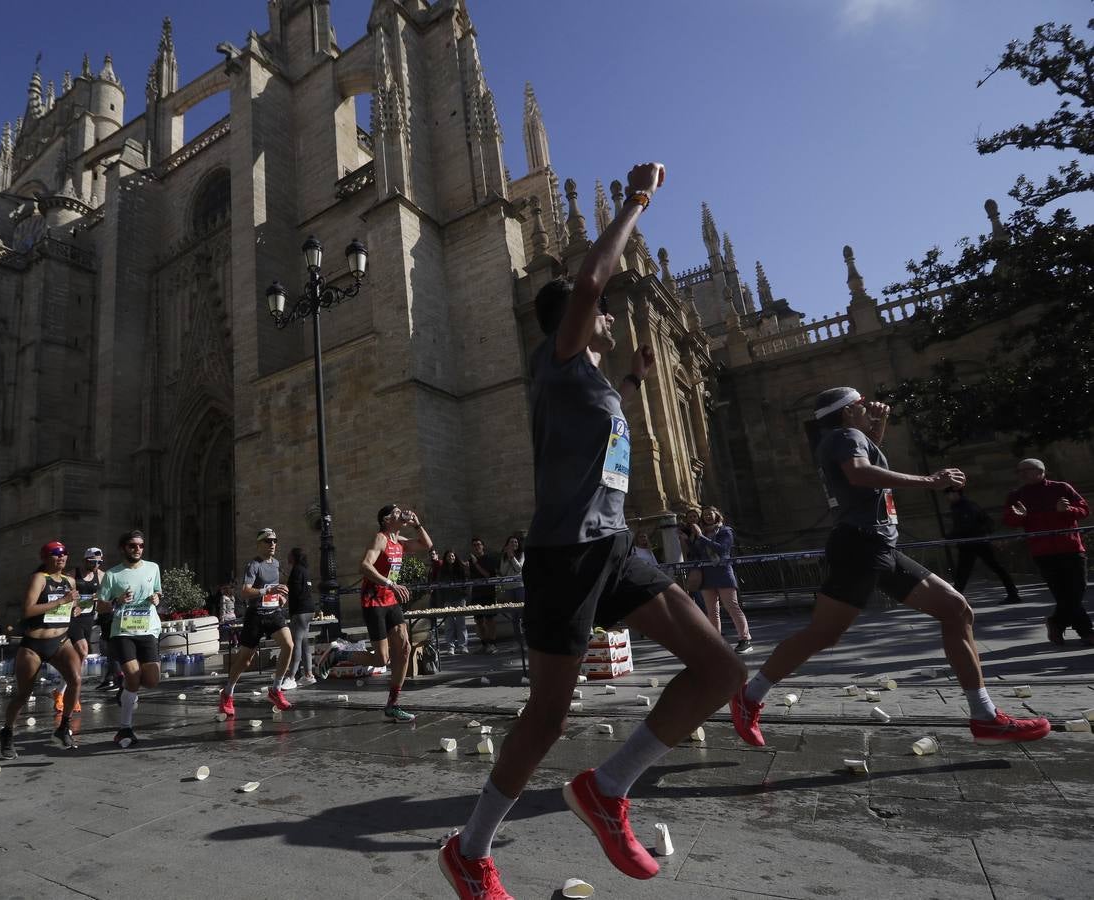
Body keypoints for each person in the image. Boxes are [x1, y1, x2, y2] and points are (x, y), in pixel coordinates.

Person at [442, 162, 746, 899]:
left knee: (721, 670)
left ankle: (607, 789)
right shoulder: (558, 358)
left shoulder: (588, 380)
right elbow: (585, 286)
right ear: (573, 323)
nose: (608, 317)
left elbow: (601, 429)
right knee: (547, 717)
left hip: (614, 547)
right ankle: (469, 851)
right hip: (566, 556)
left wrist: (635, 380)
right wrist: (636, 201)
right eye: (603, 313)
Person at [729, 387, 1051, 752]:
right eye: (862, 404)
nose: (868, 407)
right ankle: (749, 697)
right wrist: (930, 481)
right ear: (848, 411)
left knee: (955, 609)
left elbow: (865, 466)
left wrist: (878, 427)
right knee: (823, 634)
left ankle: (985, 716)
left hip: (874, 545)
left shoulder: (841, 437)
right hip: (862, 546)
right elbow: (861, 474)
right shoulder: (846, 436)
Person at [317, 504, 433, 722]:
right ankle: (338, 654)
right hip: (374, 601)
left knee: (405, 648)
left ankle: (393, 704)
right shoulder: (380, 539)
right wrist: (390, 583)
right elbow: (364, 566)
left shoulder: (399, 542)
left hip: (390, 600)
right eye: (396, 512)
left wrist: (417, 524)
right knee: (382, 660)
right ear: (386, 520)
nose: (401, 513)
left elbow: (426, 544)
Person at [0, 541, 83, 758]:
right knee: (23, 694)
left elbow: (70, 605)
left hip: (61, 641)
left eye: (64, 553)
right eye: (56, 553)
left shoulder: (70, 581)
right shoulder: (39, 579)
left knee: (76, 679)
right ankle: (7, 732)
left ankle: (63, 727)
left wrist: (75, 608)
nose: (61, 557)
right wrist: (62, 601)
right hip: (34, 645)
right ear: (45, 558)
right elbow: (28, 610)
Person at [1004, 459, 1091, 646]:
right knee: (1062, 594)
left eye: (1025, 470)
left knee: (1077, 590)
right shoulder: (1016, 495)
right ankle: (1086, 632)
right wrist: (1018, 517)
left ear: (1040, 471)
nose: (1021, 474)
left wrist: (1067, 510)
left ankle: (1056, 623)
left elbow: (1084, 510)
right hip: (1043, 552)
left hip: (1071, 548)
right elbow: (1009, 520)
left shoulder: (1061, 488)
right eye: (1018, 471)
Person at [97, 530, 163, 748]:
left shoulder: (153, 568)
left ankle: (126, 691)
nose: (137, 549)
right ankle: (125, 727)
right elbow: (101, 606)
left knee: (152, 680)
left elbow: (158, 592)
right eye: (132, 546)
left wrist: (157, 598)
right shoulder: (112, 575)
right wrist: (117, 600)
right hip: (123, 631)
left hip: (148, 629)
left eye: (141, 546)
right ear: (123, 548)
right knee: (134, 676)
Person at [219, 528, 295, 716]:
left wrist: (281, 598)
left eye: (275, 541)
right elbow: (245, 591)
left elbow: (275, 590)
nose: (272, 544)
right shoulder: (253, 565)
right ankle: (227, 693)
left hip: (273, 613)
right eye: (268, 541)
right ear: (259, 544)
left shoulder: (276, 564)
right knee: (245, 660)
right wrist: (267, 591)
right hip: (256, 616)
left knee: (289, 645)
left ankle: (276, 690)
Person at [690, 507, 753, 654]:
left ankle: (745, 639)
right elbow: (696, 553)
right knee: (712, 611)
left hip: (723, 573)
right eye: (705, 515)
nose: (707, 516)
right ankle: (716, 641)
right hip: (707, 575)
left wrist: (701, 537)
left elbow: (722, 549)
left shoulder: (725, 531)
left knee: (732, 606)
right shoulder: (701, 532)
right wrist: (688, 540)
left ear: (717, 515)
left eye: (710, 514)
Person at [945, 486, 1022, 604]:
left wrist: (949, 537)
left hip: (973, 542)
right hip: (975, 541)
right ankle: (1012, 592)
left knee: (965, 571)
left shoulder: (965, 506)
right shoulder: (965, 505)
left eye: (948, 494)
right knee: (969, 571)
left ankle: (955, 599)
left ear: (956, 493)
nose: (947, 497)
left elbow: (966, 526)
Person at [67, 547, 104, 693]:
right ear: (85, 560)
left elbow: (106, 593)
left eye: (99, 562)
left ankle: (65, 688)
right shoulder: (73, 575)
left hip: (89, 618)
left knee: (80, 655)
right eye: (93, 562)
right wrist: (74, 605)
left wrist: (99, 596)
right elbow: (64, 594)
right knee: (83, 651)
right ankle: (73, 685)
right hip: (74, 617)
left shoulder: (100, 575)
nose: (96, 565)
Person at [284, 547, 318, 687]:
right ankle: (309, 675)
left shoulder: (296, 570)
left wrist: (286, 588)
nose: (287, 556)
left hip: (300, 611)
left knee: (295, 643)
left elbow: (296, 591)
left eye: (289, 554)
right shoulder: (304, 570)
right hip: (309, 610)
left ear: (294, 557)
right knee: (304, 643)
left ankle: (291, 677)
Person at [468, 538, 502, 652]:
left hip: (488, 593)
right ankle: (484, 644)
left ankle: (492, 644)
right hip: (476, 593)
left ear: (483, 546)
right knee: (478, 620)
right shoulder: (471, 561)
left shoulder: (489, 559)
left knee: (489, 619)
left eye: (478, 544)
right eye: (474, 545)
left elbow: (487, 575)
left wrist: (476, 563)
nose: (476, 547)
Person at [436, 550, 470, 655]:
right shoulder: (442, 570)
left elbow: (466, 582)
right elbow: (440, 585)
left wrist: (464, 594)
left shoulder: (460, 569)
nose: (451, 557)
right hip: (448, 599)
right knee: (449, 624)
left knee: (461, 623)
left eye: (453, 556)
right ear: (445, 558)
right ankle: (450, 647)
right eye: (449, 556)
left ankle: (463, 646)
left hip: (460, 598)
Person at [499, 535, 526, 643]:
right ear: (507, 545)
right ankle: (518, 641)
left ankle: (527, 640)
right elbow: (503, 572)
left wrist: (512, 558)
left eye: (516, 542)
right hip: (509, 588)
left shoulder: (522, 554)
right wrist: (508, 558)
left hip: (520, 587)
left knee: (523, 614)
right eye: (511, 542)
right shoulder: (504, 557)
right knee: (514, 616)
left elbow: (519, 568)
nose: (514, 544)